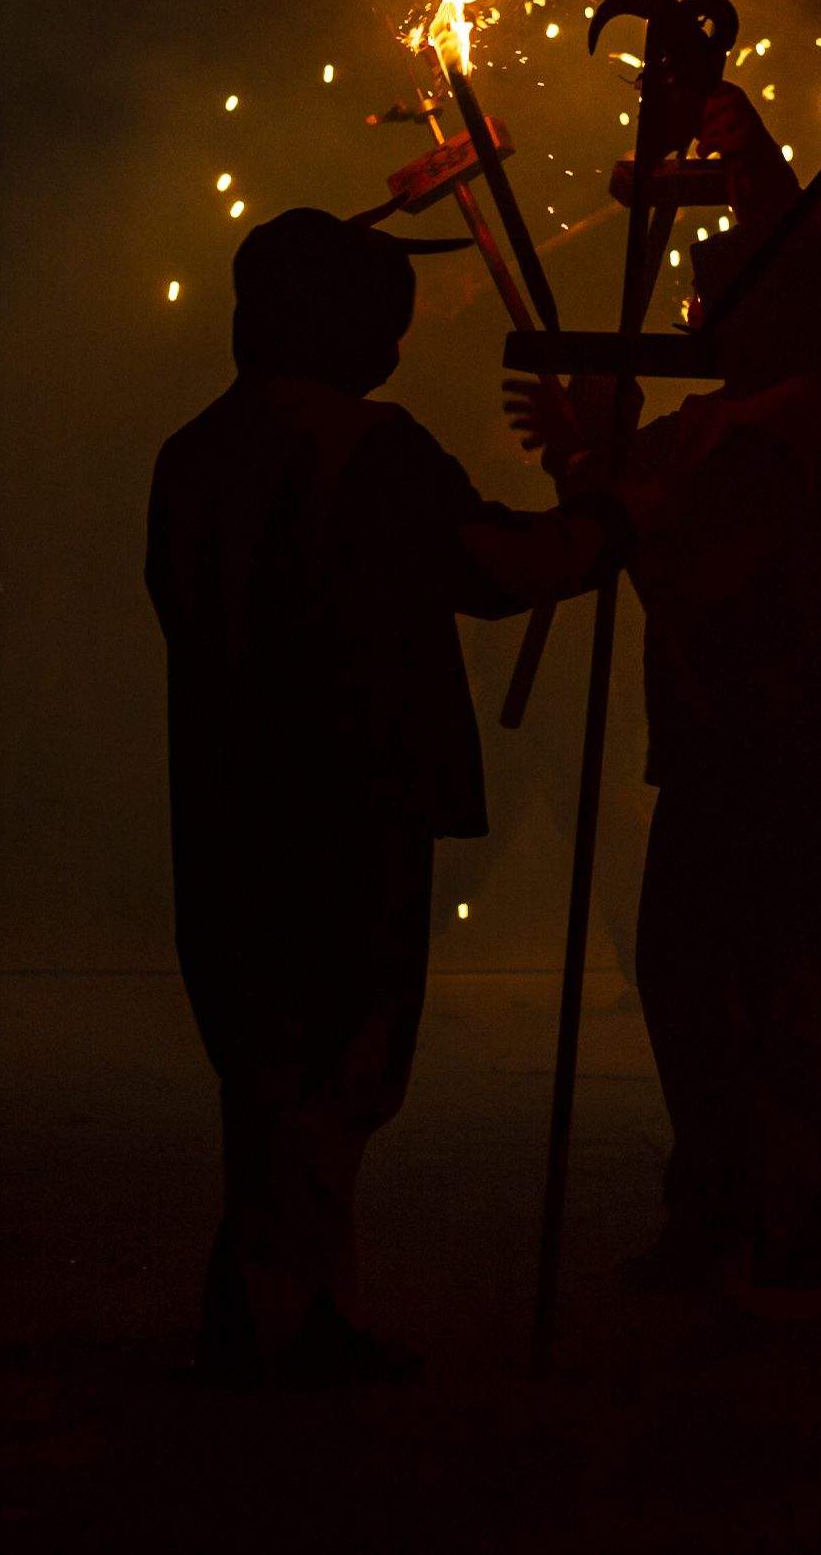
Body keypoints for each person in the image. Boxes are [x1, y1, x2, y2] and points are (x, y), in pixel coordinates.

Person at [147, 208, 614, 1385]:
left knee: (263, 1068)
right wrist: (604, 516)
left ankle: (269, 1302)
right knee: (332, 1071)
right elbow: (495, 569)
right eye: (381, 320)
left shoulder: (189, 452)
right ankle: (283, 1322)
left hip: (224, 806)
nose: (398, 346)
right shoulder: (370, 448)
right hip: (344, 805)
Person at [513, 84, 821, 1290]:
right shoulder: (790, 406)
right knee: (735, 969)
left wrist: (591, 470)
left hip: (761, 751)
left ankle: (779, 1197)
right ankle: (757, 1188)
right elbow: (661, 480)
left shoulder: (792, 424)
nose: (689, 306)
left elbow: (683, 556)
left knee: (741, 977)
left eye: (713, 288)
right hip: (749, 749)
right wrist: (747, 153)